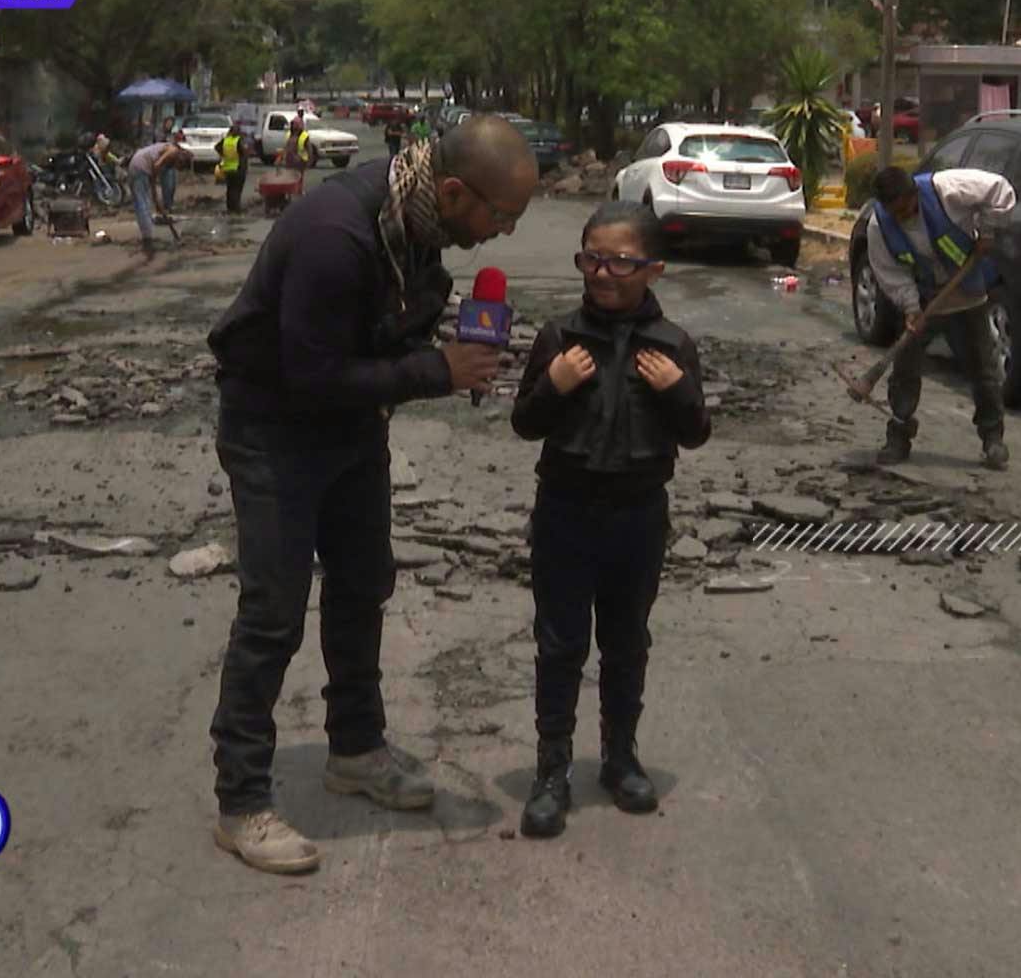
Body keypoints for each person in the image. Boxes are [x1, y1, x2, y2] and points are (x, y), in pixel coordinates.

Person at [204, 115, 538, 874]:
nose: (505, 232)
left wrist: (452, 351)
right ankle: (242, 801)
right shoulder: (336, 235)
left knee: (362, 588)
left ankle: (354, 747)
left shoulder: (418, 224)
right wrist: (435, 371)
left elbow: (376, 345)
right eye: (500, 215)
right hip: (275, 432)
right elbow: (312, 376)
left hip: (352, 430)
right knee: (273, 613)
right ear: (454, 191)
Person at [508, 201, 711, 840]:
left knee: (626, 643)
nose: (603, 272)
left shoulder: (673, 345)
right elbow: (525, 423)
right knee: (560, 643)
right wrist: (555, 384)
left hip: (638, 516)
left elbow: (696, 431)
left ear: (652, 269)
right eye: (592, 258)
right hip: (565, 512)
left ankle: (620, 757)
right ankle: (552, 771)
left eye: (620, 261)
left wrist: (677, 389)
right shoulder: (558, 338)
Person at [862, 165, 1018, 470]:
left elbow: (1000, 189)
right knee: (905, 370)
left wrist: (987, 230)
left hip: (966, 295)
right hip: (923, 299)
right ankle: (899, 436)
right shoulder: (879, 227)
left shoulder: (947, 190)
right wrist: (911, 308)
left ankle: (992, 439)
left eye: (906, 208)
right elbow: (890, 273)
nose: (902, 216)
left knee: (982, 371)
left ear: (913, 194)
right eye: (895, 212)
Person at [127, 137, 190, 255]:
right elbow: (156, 165)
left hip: (138, 164)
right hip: (140, 166)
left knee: (143, 203)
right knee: (142, 204)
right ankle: (147, 240)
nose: (176, 167)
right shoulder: (173, 151)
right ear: (180, 159)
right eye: (178, 165)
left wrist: (155, 196)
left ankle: (147, 236)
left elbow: (156, 167)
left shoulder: (169, 150)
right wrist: (154, 188)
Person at [215, 122, 249, 214]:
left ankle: (230, 207)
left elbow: (217, 147)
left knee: (230, 189)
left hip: (228, 168)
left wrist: (224, 155)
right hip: (238, 168)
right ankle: (236, 208)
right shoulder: (238, 141)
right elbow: (244, 152)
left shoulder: (226, 140)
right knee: (237, 189)